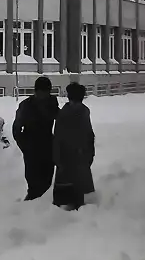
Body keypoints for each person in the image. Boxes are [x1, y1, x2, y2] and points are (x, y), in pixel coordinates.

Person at [12, 76, 59, 201]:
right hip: (32, 149)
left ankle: (41, 208)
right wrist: (25, 147)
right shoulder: (26, 106)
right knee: (33, 184)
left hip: (48, 149)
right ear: (36, 91)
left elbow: (60, 119)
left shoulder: (52, 103)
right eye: (42, 92)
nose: (44, 96)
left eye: (47, 92)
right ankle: (30, 208)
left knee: (47, 182)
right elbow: (16, 129)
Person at [52, 82, 95, 211]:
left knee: (77, 189)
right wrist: (57, 157)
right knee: (67, 192)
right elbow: (58, 136)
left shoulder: (83, 112)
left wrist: (90, 153)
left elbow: (89, 134)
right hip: (68, 157)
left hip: (78, 157)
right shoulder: (65, 114)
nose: (76, 104)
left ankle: (76, 208)